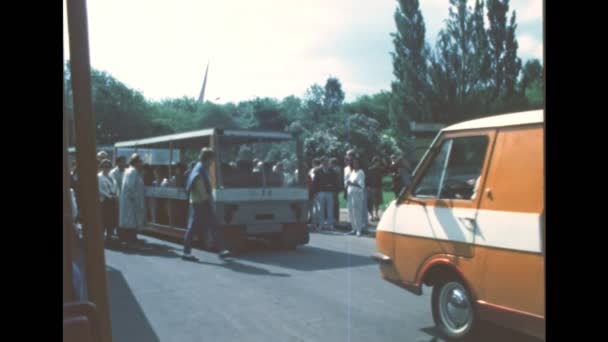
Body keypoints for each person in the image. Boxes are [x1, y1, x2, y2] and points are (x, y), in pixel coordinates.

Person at [182, 148, 232, 261]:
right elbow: (201, 189)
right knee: (195, 227)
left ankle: (221, 250)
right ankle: (186, 252)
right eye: (212, 159)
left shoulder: (200, 168)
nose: (212, 162)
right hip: (200, 203)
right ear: (208, 159)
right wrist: (209, 200)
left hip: (199, 202)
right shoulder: (200, 170)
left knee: (211, 226)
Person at [118, 154, 146, 245]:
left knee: (131, 219)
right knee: (131, 219)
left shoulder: (130, 171)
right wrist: (135, 199)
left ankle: (130, 238)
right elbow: (130, 187)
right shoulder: (132, 171)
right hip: (131, 201)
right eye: (140, 162)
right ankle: (129, 239)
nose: (141, 164)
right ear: (136, 162)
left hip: (130, 200)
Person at [312, 156, 339, 231]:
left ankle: (330, 225)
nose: (326, 163)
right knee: (321, 210)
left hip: (330, 192)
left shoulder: (332, 171)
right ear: (322, 162)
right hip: (320, 192)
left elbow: (335, 182)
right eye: (324, 161)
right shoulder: (317, 171)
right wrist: (314, 192)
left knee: (330, 209)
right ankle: (321, 225)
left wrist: (335, 191)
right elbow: (315, 182)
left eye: (327, 161)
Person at [98, 159, 119, 240]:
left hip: (113, 200)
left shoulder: (111, 176)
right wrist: (109, 196)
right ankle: (101, 236)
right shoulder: (99, 177)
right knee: (104, 219)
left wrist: (116, 195)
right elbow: (100, 189)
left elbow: (116, 186)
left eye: (108, 166)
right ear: (101, 167)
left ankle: (109, 235)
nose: (107, 168)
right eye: (105, 166)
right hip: (104, 201)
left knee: (112, 219)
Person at [346, 158, 366, 237]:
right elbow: (350, 182)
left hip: (357, 194)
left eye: (356, 163)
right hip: (350, 194)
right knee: (350, 211)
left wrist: (352, 183)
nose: (355, 165)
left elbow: (361, 185)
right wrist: (350, 183)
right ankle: (353, 229)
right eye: (354, 163)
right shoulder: (353, 172)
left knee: (357, 212)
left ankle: (358, 230)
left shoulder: (360, 172)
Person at [367, 156, 385, 221]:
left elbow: (387, 169)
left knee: (377, 202)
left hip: (379, 187)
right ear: (373, 162)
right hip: (372, 187)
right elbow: (368, 179)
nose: (377, 163)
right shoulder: (370, 169)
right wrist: (368, 186)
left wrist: (383, 161)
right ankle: (371, 215)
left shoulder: (380, 169)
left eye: (378, 162)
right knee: (372, 202)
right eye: (376, 162)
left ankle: (376, 214)